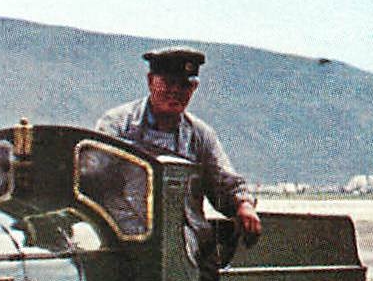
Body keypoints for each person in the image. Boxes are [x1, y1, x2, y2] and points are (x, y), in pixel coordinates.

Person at [95, 47, 262, 238]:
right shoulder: (117, 126)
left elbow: (224, 183)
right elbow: (95, 182)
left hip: (185, 245)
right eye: (168, 82)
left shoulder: (200, 135)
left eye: (184, 85)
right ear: (150, 81)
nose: (175, 91)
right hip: (125, 239)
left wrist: (243, 204)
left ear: (194, 88)